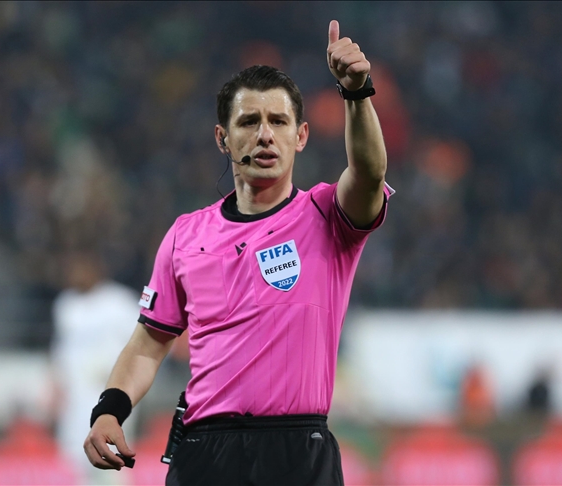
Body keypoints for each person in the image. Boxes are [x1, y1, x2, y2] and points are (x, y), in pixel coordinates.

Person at [84, 20, 391, 485]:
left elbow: (369, 173)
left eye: (279, 122)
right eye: (249, 122)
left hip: (298, 453)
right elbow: (149, 343)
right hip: (206, 453)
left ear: (301, 136)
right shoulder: (186, 235)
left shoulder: (328, 215)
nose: (265, 135)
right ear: (222, 138)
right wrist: (109, 410)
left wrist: (356, 93)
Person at [51, 251, 141, 484]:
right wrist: (56, 385)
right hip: (76, 397)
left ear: (96, 270)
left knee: (112, 460)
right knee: (77, 459)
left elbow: (141, 343)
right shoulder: (66, 305)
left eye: (81, 269)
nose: (76, 275)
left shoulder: (119, 302)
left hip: (111, 392)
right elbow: (61, 351)